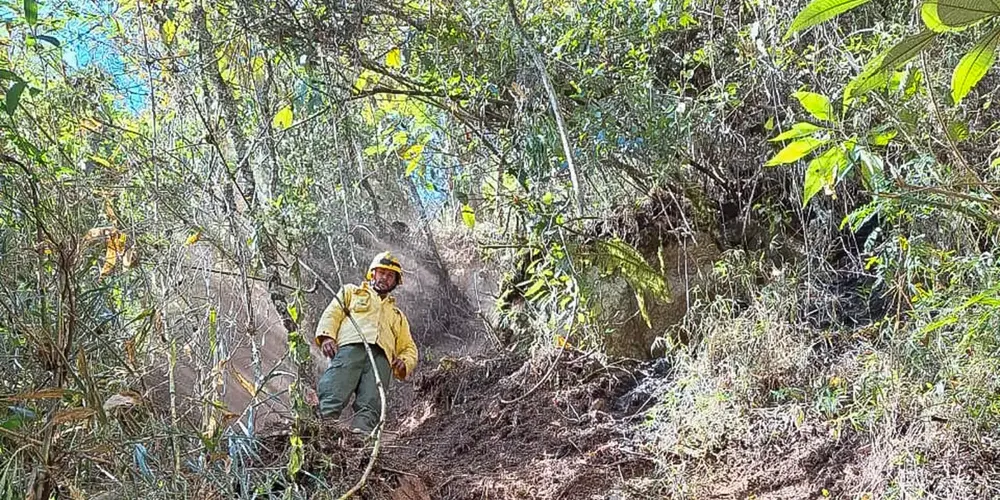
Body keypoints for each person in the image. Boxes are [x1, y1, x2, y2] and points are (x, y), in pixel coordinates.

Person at [314, 251, 418, 434]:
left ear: (395, 283)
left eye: (390, 276)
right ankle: (322, 430)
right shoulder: (351, 292)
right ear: (373, 273)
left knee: (371, 402)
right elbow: (332, 313)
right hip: (350, 348)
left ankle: (359, 442)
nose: (385, 278)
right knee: (334, 387)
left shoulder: (398, 316)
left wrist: (404, 362)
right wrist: (327, 336)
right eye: (382, 273)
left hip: (381, 361)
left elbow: (409, 348)